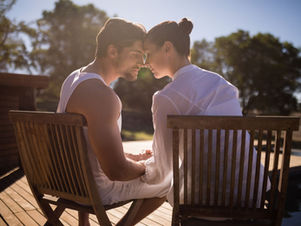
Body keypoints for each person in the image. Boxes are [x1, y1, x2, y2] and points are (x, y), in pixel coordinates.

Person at [142, 18, 270, 214]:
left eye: (148, 54)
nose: (145, 63)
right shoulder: (222, 84)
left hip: (204, 203)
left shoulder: (165, 98)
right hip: (253, 196)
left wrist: (136, 167)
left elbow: (163, 169)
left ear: (167, 47)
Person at [57, 18, 170, 226]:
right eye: (136, 54)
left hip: (67, 183)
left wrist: (132, 156)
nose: (143, 62)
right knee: (167, 181)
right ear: (113, 51)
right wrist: (147, 166)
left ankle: (84, 223)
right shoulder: (102, 96)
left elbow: (85, 147)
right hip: (95, 189)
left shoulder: (74, 78)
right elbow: (117, 171)